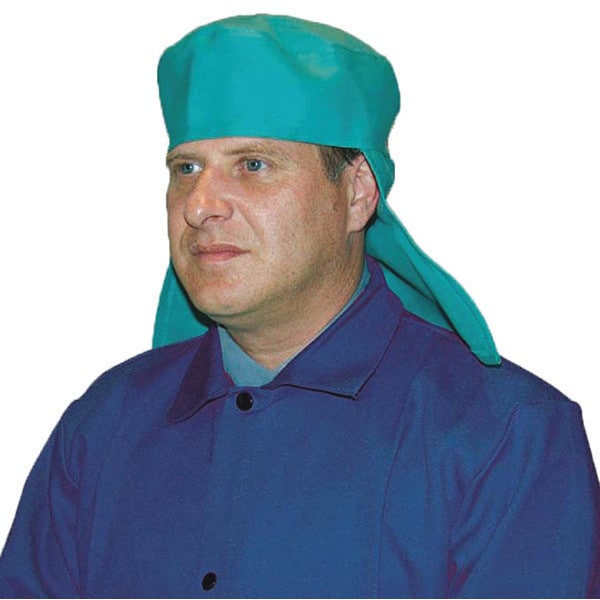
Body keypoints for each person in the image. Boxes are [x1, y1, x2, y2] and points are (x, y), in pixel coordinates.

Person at [0, 13, 598, 598]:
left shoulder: (507, 440)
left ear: (357, 192)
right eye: (186, 168)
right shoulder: (103, 426)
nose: (199, 205)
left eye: (253, 165)